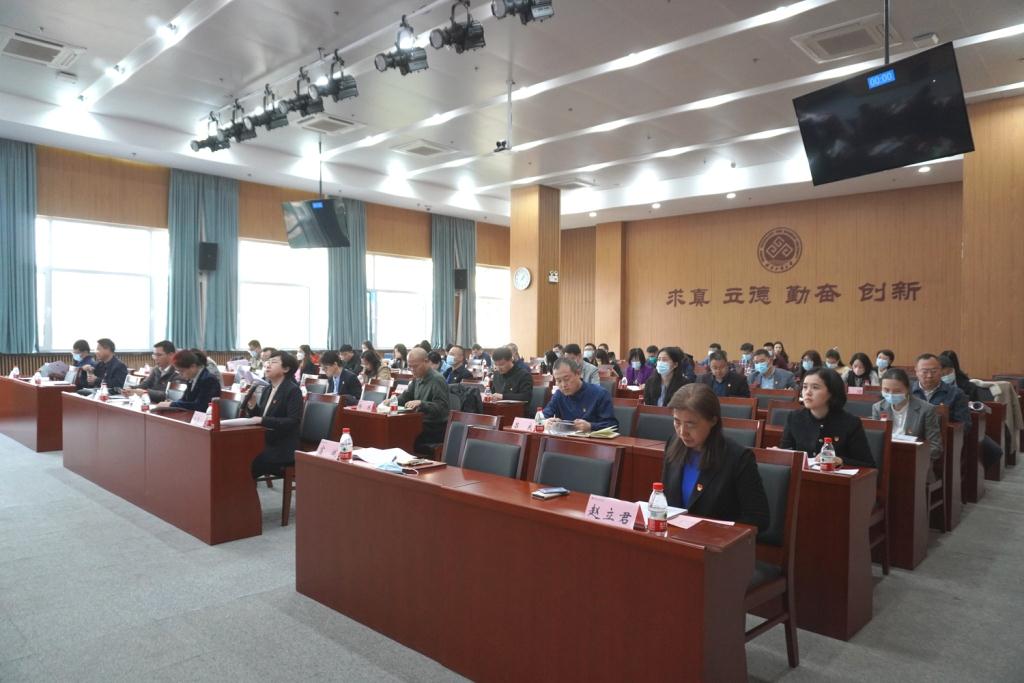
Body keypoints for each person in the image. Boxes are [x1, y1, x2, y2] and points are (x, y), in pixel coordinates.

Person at [661, 383, 769, 531]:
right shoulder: (673, 444)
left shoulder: (738, 458)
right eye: (677, 422)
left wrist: (716, 532)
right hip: (675, 537)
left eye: (690, 424)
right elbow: (665, 499)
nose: (682, 432)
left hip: (717, 541)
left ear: (713, 420)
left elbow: (758, 519)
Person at [780, 368, 874, 468]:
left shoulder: (851, 423)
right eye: (805, 387)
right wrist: (779, 454)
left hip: (835, 476)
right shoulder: (794, 418)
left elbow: (868, 465)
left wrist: (840, 460)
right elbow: (786, 451)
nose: (807, 392)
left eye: (815, 387)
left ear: (831, 392)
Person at [873, 369, 943, 479]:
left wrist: (915, 457)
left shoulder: (926, 410)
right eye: (886, 390)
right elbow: (875, 442)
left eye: (897, 391)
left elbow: (935, 447)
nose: (891, 394)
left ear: (907, 389)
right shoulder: (878, 408)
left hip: (915, 464)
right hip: (886, 461)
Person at [243, 351, 304, 479]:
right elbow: (260, 417)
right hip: (264, 442)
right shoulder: (267, 389)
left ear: (286, 369)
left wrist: (262, 420)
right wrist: (252, 405)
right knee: (237, 454)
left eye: (274, 362)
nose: (268, 365)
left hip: (281, 447)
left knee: (246, 462)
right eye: (267, 362)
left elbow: (292, 421)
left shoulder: (293, 390)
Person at [397, 348, 451, 453]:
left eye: (415, 366)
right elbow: (406, 396)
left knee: (402, 431)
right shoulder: (417, 378)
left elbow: (443, 408)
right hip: (420, 423)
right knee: (397, 427)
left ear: (426, 362)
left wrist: (422, 404)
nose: (412, 370)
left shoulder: (437, 379)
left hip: (435, 427)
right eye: (409, 367)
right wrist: (392, 401)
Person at [542, 358, 617, 432]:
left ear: (578, 374)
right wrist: (546, 422)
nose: (563, 385)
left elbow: (612, 425)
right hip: (565, 438)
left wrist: (590, 426)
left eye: (567, 379)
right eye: (558, 381)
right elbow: (542, 417)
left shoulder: (600, 394)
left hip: (591, 438)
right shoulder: (559, 394)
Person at [155, 350, 220, 413]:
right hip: (191, 414)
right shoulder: (192, 378)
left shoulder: (209, 380)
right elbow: (184, 399)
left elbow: (200, 406)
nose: (180, 375)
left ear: (193, 366)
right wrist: (169, 404)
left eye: (182, 371)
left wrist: (172, 404)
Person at [912, 353, 969, 424]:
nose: (929, 376)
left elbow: (964, 425)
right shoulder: (907, 391)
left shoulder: (956, 394)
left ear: (941, 371)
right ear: (916, 372)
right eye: (925, 372)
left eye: (934, 371)